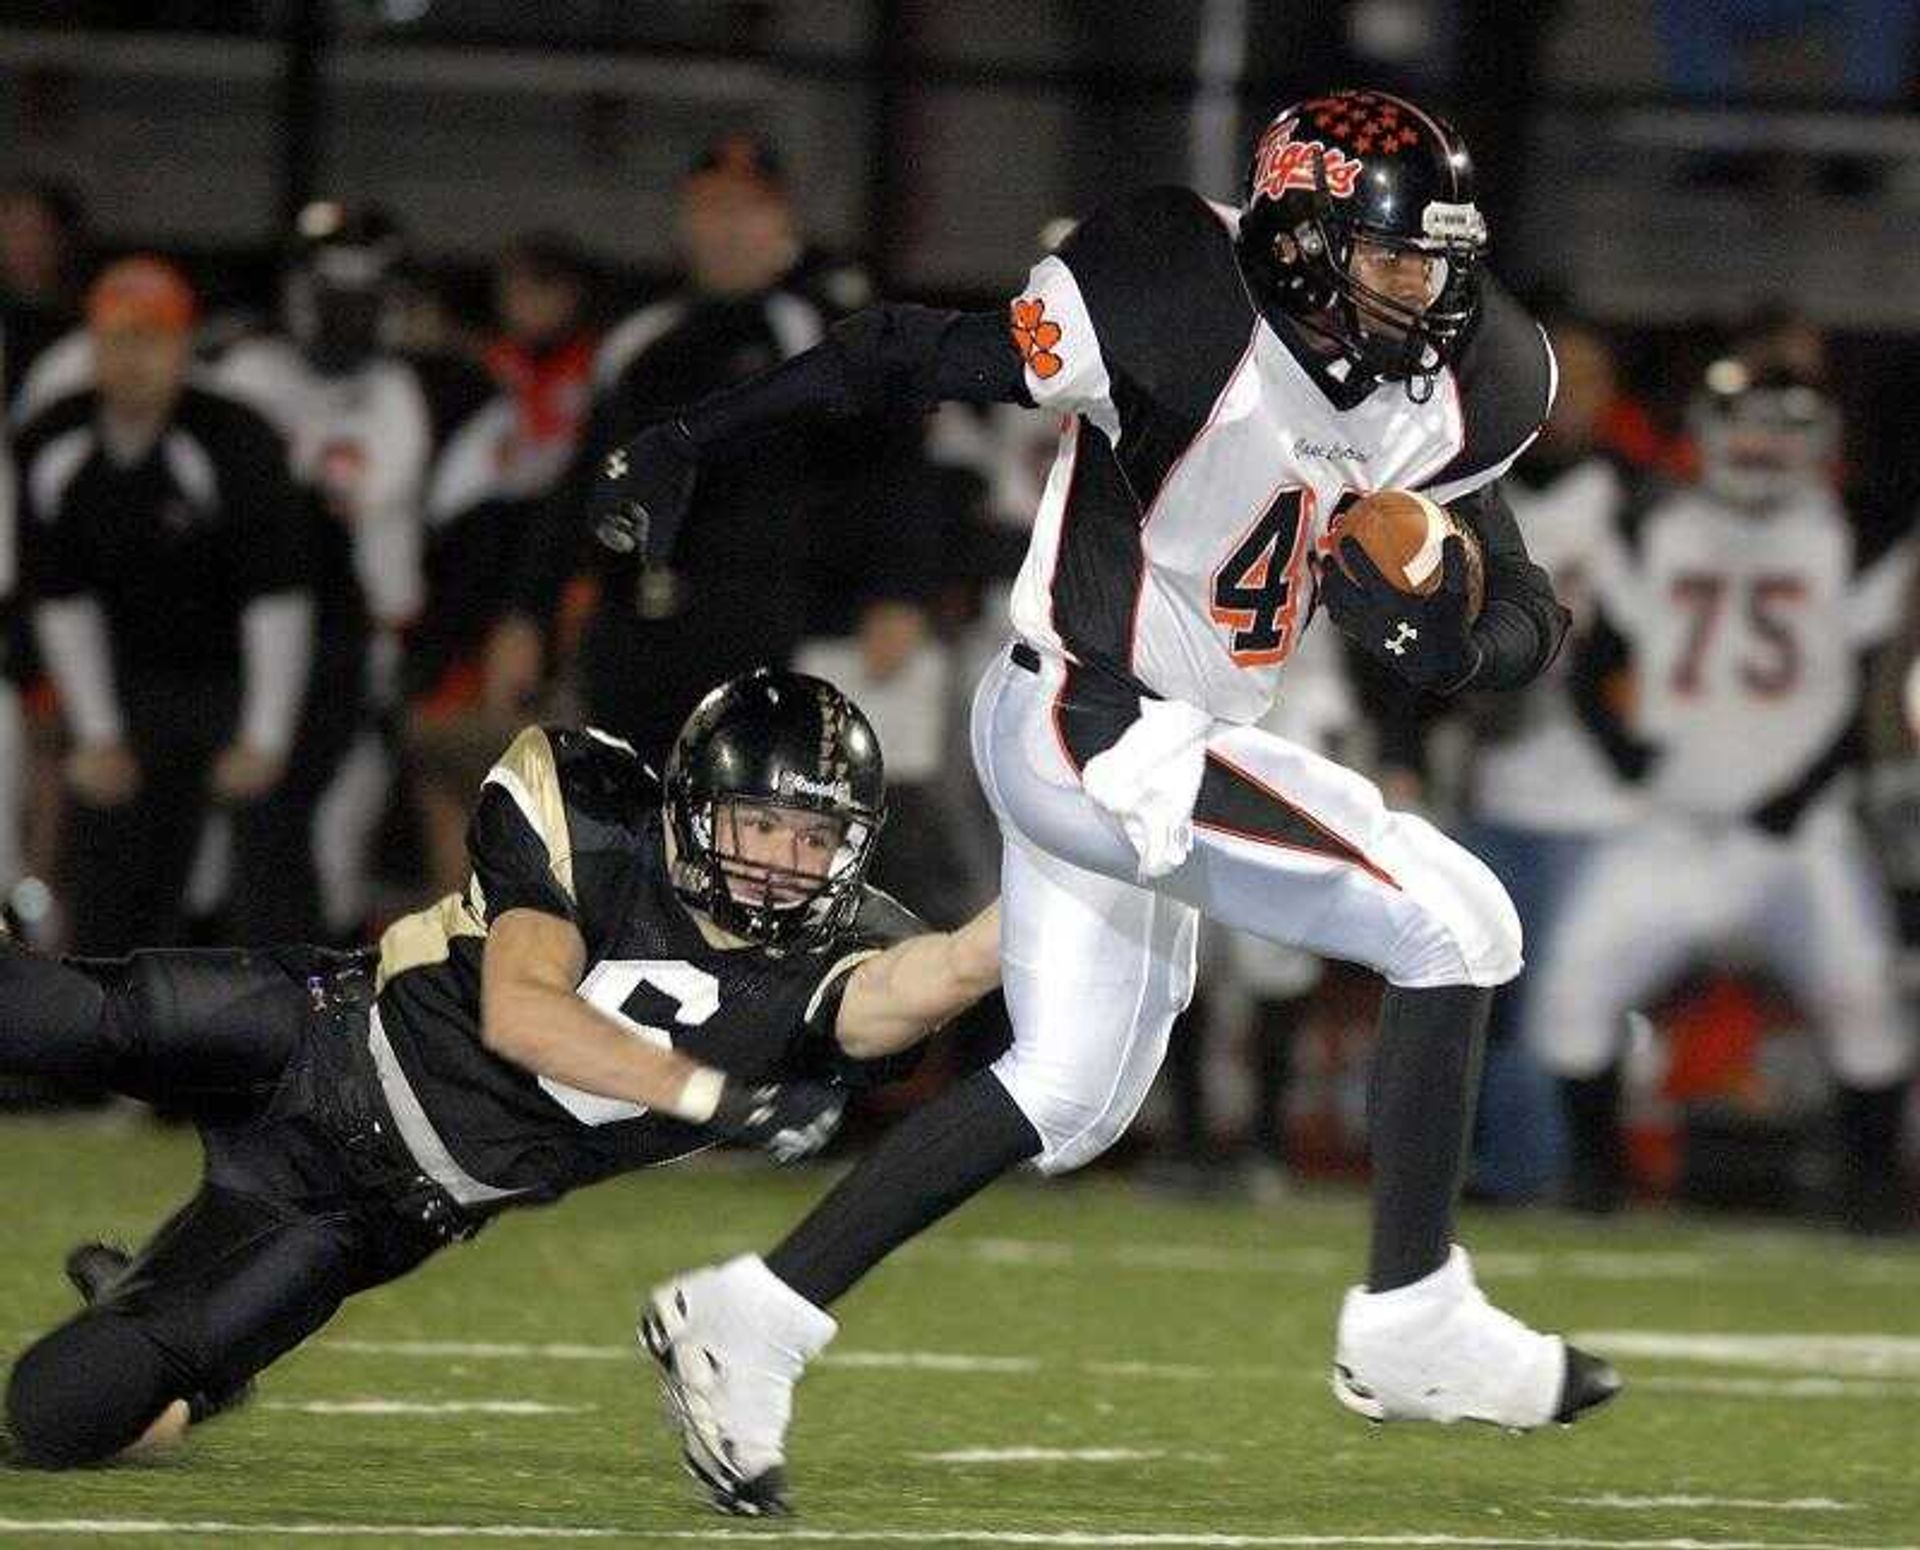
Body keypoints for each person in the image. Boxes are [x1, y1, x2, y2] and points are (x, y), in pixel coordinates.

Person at [592, 88, 1619, 1516]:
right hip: (1092, 719)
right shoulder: (1169, 292)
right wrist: (694, 436)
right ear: (1305, 239)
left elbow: (1519, 605)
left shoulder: (1458, 371)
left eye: (1443, 260)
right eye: (1394, 257)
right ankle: (1410, 1318)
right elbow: (904, 356)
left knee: (1069, 1090)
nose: (1428, 293)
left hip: (1166, 731)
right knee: (1456, 916)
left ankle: (749, 1312)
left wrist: (1458, 638)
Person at [0, 667, 1003, 1469]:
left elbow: (956, 963)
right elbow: (523, 1012)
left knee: (58, 1412)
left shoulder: (842, 962)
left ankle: (179, 1356)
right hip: (315, 1030)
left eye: (814, 836)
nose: (784, 859)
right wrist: (715, 1095)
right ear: (696, 807)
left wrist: (1115, 881)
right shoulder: (596, 812)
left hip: (362, 1204)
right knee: (53, 1013)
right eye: (761, 824)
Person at [1538, 357, 1916, 1232]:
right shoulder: (1647, 526)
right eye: (1745, 425)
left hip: (1800, 834)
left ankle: (1868, 1188)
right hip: (1672, 824)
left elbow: (1868, 687)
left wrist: (1804, 789)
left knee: (1866, 1003)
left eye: (1785, 428)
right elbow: (1593, 662)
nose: (1760, 446)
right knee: (1572, 993)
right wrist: (1631, 759)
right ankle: (1594, 1177)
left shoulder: (1849, 531)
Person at [493, 132, 925, 771]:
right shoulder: (639, 340)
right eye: (710, 208)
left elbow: (890, 476)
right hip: (633, 631)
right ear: (683, 222)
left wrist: (897, 591)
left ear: (783, 224)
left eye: (748, 210)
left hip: (767, 629)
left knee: (749, 835)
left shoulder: (819, 336)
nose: (728, 229)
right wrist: (527, 612)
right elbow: (586, 487)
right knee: (627, 825)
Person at [15, 257, 316, 953]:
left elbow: (278, 595)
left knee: (263, 834)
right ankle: (107, 1021)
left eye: (153, 339)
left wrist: (264, 737)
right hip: (134, 670)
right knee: (110, 822)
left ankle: (291, 1024)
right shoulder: (56, 442)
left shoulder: (236, 439)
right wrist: (96, 732)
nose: (134, 360)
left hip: (243, 667)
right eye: (117, 340)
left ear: (184, 347)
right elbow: (63, 598)